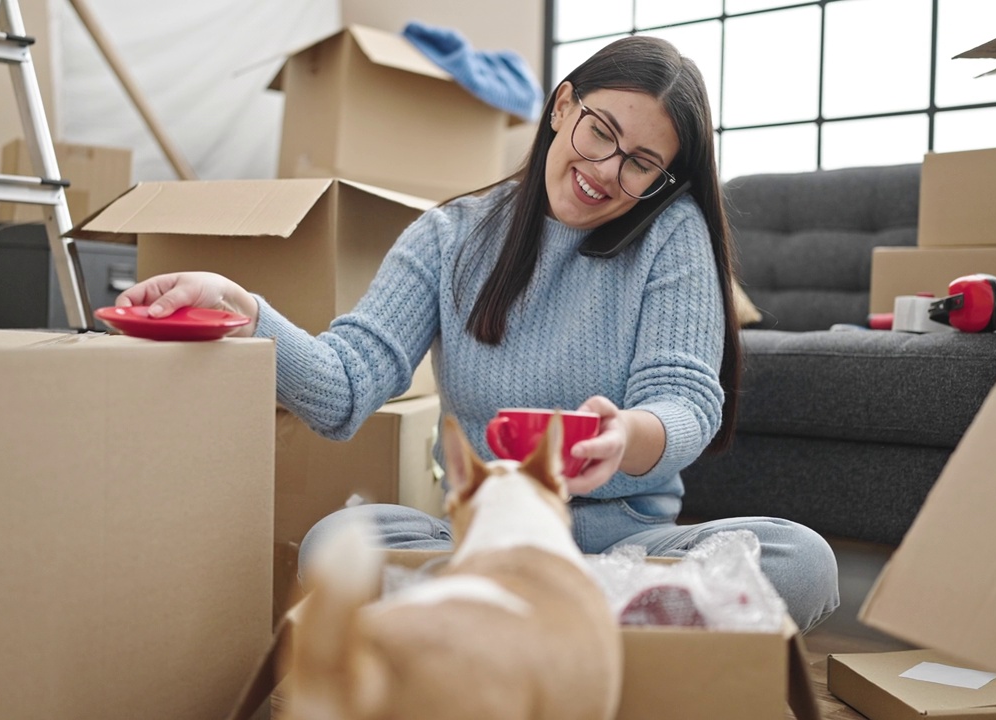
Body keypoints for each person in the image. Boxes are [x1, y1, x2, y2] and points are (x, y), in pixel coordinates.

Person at [117, 36, 839, 632]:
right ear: (563, 107)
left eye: (641, 164)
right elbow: (344, 387)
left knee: (802, 561)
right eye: (601, 132)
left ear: (663, 177)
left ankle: (516, 622)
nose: (605, 172)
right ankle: (585, 627)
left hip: (628, 546)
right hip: (484, 541)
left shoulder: (671, 235)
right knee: (335, 544)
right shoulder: (447, 236)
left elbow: (685, 400)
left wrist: (629, 435)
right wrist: (244, 308)